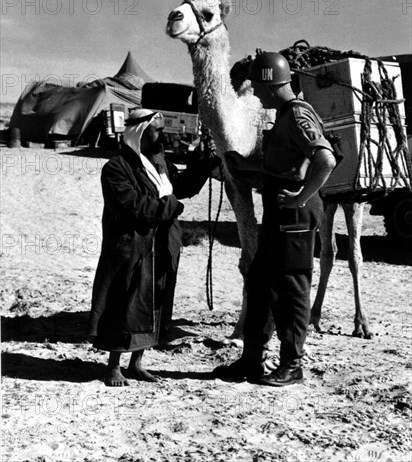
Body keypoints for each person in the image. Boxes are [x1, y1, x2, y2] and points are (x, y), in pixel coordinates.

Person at [214, 52, 337, 387]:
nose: (256, 95)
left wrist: (300, 196)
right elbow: (282, 164)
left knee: (291, 286)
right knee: (260, 281)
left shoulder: (298, 115)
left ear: (271, 85)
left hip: (294, 212)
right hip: (278, 210)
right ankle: (252, 360)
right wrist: (243, 164)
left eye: (259, 87)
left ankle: (292, 364)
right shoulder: (283, 115)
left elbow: (324, 159)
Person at [88, 108, 217, 386]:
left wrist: (204, 160)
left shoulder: (158, 163)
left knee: (153, 303)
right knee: (123, 304)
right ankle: (113, 366)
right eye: (157, 130)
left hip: (161, 246)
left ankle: (136, 363)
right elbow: (132, 207)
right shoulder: (116, 168)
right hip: (131, 247)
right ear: (140, 132)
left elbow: (181, 186)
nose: (163, 135)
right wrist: (170, 206)